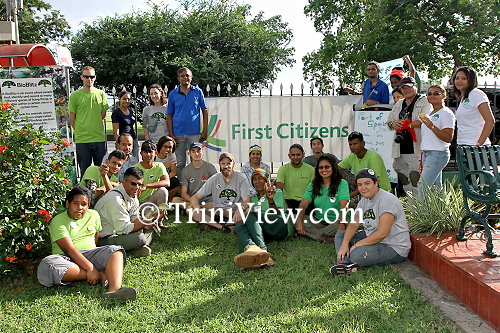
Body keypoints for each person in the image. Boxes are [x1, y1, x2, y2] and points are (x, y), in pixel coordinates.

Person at [37, 186, 136, 301]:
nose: (79, 208)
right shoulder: (58, 221)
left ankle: (114, 290)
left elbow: (96, 237)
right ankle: (100, 274)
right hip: (65, 258)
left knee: (116, 251)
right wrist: (91, 269)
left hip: (90, 254)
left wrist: (93, 259)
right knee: (49, 264)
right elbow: (69, 249)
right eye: (76, 203)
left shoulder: (93, 215)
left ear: (88, 206)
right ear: (67, 204)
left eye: (84, 204)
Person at [330, 169, 410, 275]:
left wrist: (357, 245)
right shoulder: (364, 200)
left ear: (376, 183)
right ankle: (344, 264)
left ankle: (350, 259)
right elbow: (354, 224)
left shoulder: (387, 200)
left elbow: (382, 233)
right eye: (360, 185)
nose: (363, 188)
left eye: (367, 183)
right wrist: (345, 244)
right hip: (373, 237)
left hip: (393, 247)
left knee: (356, 254)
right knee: (341, 235)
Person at [233, 169, 293, 270]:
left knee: (251, 215)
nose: (257, 181)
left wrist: (270, 200)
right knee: (240, 226)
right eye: (254, 180)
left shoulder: (276, 192)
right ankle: (251, 249)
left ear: (266, 180)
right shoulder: (253, 199)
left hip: (280, 226)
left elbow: (276, 213)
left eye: (260, 178)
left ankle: (263, 250)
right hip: (265, 232)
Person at [95, 167, 154, 257]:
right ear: (124, 181)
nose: (137, 187)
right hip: (104, 238)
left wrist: (148, 220)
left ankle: (135, 248)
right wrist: (145, 222)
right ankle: (138, 247)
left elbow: (134, 217)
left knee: (148, 229)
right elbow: (124, 229)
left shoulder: (132, 195)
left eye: (140, 185)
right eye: (133, 184)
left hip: (118, 232)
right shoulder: (115, 199)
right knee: (140, 238)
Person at [387, 76, 430, 194]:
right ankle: (411, 209)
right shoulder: (399, 103)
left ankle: (420, 209)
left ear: (415, 87)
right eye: (403, 88)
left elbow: (425, 120)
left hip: (417, 149)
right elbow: (388, 122)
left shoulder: (424, 100)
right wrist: (394, 124)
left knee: (416, 180)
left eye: (409, 87)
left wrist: (408, 125)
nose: (406, 90)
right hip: (399, 149)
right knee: (405, 181)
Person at [190, 152, 251, 232]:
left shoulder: (241, 178)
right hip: (217, 211)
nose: (226, 166)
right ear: (219, 164)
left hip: (234, 211)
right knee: (192, 209)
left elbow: (247, 200)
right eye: (223, 163)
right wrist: (197, 208)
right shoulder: (214, 179)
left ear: (233, 164)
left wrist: (240, 209)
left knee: (249, 210)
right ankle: (222, 227)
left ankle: (214, 224)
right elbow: (195, 197)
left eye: (229, 163)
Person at [295, 154, 350, 243]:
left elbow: (344, 206)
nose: (324, 170)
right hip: (318, 222)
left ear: (333, 168)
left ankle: (313, 235)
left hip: (336, 222)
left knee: (350, 225)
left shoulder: (342, 183)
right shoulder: (314, 184)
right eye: (321, 167)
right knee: (294, 217)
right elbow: (303, 204)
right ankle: (326, 238)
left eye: (327, 167)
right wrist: (299, 221)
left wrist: (342, 224)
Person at [167, 67, 209, 179]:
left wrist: (205, 131)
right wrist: (171, 133)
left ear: (191, 77)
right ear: (178, 78)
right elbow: (169, 115)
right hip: (178, 134)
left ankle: (196, 185)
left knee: (196, 161)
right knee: (180, 163)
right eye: (182, 76)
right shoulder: (173, 94)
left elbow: (204, 111)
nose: (185, 78)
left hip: (194, 133)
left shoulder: (198, 92)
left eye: (187, 75)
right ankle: (182, 186)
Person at [69, 66, 109, 177]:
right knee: (84, 172)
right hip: (82, 140)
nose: (89, 79)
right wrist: (81, 129)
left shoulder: (101, 94)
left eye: (92, 77)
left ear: (95, 78)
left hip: (99, 138)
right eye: (86, 76)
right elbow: (72, 118)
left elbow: (103, 114)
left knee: (102, 171)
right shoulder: (75, 96)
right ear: (81, 77)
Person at [417, 85, 455, 196]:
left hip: (437, 154)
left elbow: (448, 138)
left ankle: (421, 213)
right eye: (429, 94)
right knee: (436, 189)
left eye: (436, 93)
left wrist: (432, 126)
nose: (432, 96)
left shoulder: (446, 113)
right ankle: (440, 212)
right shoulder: (429, 113)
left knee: (422, 186)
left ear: (444, 95)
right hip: (426, 154)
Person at [452, 66, 495, 146]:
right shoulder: (464, 98)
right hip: (463, 144)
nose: (459, 81)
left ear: (471, 80)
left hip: (475, 147)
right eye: (457, 78)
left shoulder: (476, 94)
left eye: (464, 78)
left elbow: (490, 121)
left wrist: (479, 144)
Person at [172, 142, 217, 210]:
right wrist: (194, 201)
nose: (196, 154)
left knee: (217, 203)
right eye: (193, 151)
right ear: (189, 153)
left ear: (202, 152)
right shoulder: (185, 170)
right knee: (175, 200)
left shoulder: (210, 167)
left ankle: (196, 209)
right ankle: (200, 209)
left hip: (208, 199)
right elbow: (183, 193)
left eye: (198, 151)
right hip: (192, 198)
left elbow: (216, 188)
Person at [276, 144, 315, 210]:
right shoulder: (283, 169)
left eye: (298, 154)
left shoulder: (311, 169)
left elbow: (314, 188)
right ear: (289, 156)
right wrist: (283, 203)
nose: (295, 157)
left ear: (303, 155)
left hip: (306, 202)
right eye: (293, 155)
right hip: (288, 202)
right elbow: (279, 189)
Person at [134, 140, 170, 206]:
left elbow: (167, 182)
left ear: (156, 153)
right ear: (141, 153)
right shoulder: (135, 168)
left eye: (150, 152)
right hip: (139, 203)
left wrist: (147, 185)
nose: (148, 155)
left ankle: (161, 213)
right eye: (145, 152)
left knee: (163, 190)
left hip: (153, 200)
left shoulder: (159, 165)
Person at [112, 91, 138, 159]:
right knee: (123, 160)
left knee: (134, 160)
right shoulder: (116, 113)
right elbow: (116, 131)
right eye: (124, 98)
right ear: (119, 99)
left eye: (128, 99)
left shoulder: (131, 111)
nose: (126, 101)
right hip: (123, 141)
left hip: (133, 140)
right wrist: (119, 144)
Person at [156, 136, 181, 201]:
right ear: (160, 146)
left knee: (176, 182)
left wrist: (164, 180)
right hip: (153, 179)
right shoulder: (154, 154)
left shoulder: (172, 155)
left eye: (170, 147)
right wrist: (163, 166)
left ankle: (167, 202)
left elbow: (173, 172)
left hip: (165, 179)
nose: (167, 149)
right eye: (165, 146)